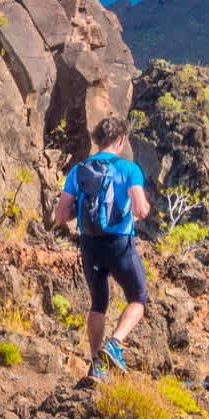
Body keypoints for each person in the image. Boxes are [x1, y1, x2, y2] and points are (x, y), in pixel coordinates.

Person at [50, 114, 152, 381]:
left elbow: (61, 216)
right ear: (121, 139)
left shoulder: (78, 170)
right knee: (138, 299)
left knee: (98, 304)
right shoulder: (129, 170)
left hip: (89, 245)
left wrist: (82, 210)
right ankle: (114, 344)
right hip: (119, 245)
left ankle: (97, 366)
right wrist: (139, 208)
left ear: (97, 139)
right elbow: (140, 209)